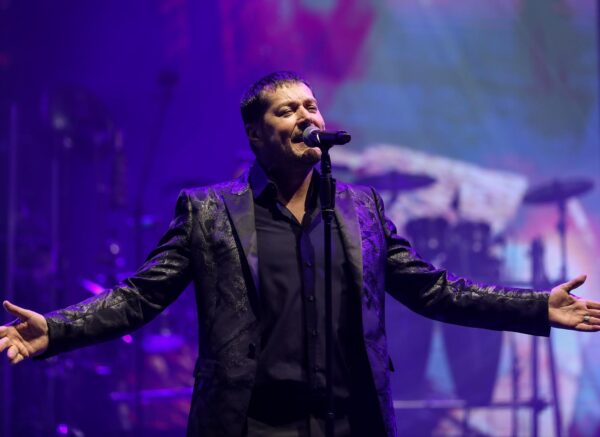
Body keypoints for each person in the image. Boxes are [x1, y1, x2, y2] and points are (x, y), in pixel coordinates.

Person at [1, 71, 599, 437]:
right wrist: (56, 329)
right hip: (251, 424)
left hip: (351, 422)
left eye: (311, 106)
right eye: (287, 110)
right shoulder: (209, 212)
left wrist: (534, 307)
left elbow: (433, 289)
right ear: (256, 134)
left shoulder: (361, 209)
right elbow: (141, 296)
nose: (306, 117)